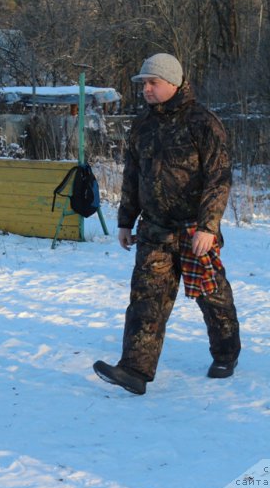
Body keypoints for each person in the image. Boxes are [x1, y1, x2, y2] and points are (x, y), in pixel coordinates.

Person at [93, 53, 241, 395]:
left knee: (212, 297)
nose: (146, 89)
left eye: (152, 83)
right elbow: (132, 175)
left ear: (172, 83)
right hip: (154, 229)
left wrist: (208, 226)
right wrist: (125, 221)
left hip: (195, 231)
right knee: (146, 298)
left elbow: (219, 178)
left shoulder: (204, 123)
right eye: (143, 84)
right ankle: (135, 370)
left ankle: (226, 354)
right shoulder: (142, 126)